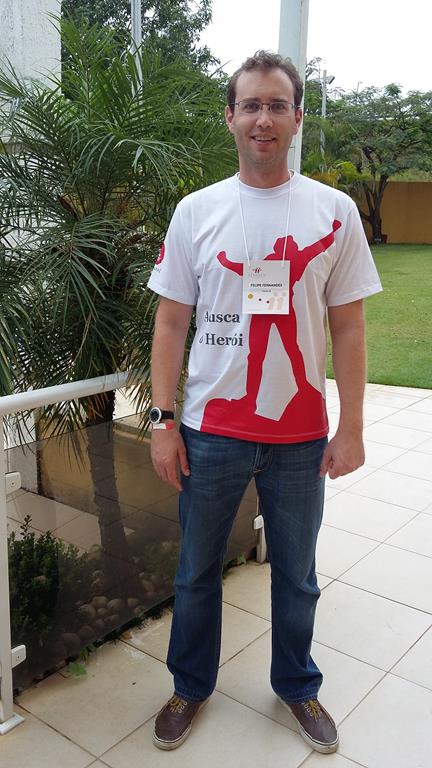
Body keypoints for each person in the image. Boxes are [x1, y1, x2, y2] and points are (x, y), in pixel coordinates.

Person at [147, 50, 382, 754]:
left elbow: (348, 326)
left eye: (277, 105)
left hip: (301, 437)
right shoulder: (198, 211)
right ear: (230, 117)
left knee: (298, 576)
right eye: (250, 105)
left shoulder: (333, 212)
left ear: (297, 118)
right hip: (210, 431)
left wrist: (352, 427)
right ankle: (190, 686)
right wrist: (162, 421)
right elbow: (170, 322)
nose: (263, 119)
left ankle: (297, 684)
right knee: (196, 571)